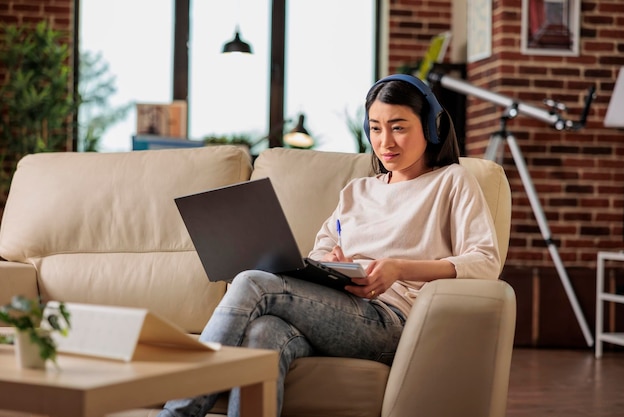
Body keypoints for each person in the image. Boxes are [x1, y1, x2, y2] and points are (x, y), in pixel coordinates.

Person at [158, 74, 501, 417]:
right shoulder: (357, 191)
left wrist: (399, 268)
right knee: (265, 333)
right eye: (376, 128)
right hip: (340, 307)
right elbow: (321, 250)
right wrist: (332, 263)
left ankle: (178, 412)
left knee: (252, 283)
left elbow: (485, 261)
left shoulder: (452, 181)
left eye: (398, 127)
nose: (385, 142)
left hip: (393, 321)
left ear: (430, 127)